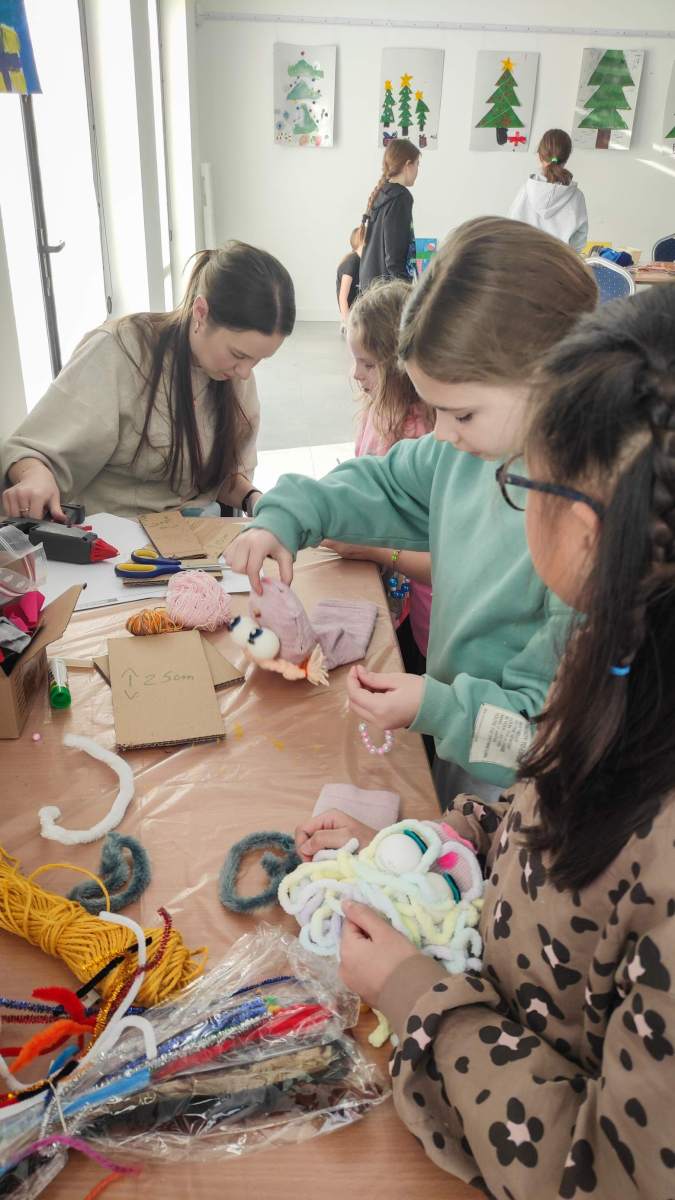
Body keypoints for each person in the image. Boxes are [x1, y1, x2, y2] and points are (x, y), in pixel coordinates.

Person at [333, 281, 675, 1199]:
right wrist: (437, 849)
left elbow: (605, 1173)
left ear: (585, 531)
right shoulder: (613, 658)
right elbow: (548, 814)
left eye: (523, 485)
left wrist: (414, 996)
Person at [226, 217, 597, 804]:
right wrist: (288, 513)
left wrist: (438, 707)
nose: (441, 433)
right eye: (435, 409)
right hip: (456, 740)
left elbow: (538, 742)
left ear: (552, 376)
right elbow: (382, 482)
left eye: (462, 413)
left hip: (517, 794)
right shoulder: (466, 452)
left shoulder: (587, 533)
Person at [0, 242, 295, 521]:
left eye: (258, 360)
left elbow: (223, 478)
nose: (245, 372)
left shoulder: (232, 373)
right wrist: (35, 476)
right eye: (238, 354)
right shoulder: (119, 351)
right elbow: (30, 452)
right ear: (201, 312)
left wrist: (255, 499)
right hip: (116, 538)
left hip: (195, 535)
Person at [323, 279, 434, 687]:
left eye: (368, 364)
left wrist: (371, 548)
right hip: (389, 592)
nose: (356, 374)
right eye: (354, 360)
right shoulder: (377, 411)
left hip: (430, 613)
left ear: (401, 365)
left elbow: (439, 557)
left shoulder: (423, 434)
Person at [508, 128, 588, 253]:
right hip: (562, 262)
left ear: (540, 156)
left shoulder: (526, 191)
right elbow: (579, 241)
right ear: (566, 158)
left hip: (524, 261)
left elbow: (510, 230)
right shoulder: (577, 197)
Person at [358, 139, 420, 292]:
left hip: (371, 286)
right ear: (408, 165)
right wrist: (405, 291)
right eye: (417, 164)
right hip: (387, 291)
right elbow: (394, 254)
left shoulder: (382, 193)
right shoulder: (400, 197)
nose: (418, 170)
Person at [336, 227, 364, 332]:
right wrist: (348, 322)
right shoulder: (351, 262)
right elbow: (342, 297)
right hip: (351, 314)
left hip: (359, 312)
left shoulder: (362, 261)